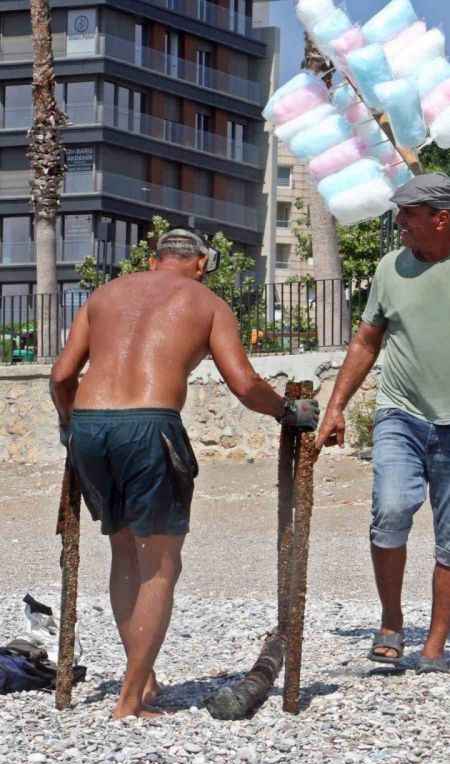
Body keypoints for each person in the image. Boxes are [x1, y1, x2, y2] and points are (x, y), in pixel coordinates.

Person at [50, 228, 319, 719]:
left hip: (90, 424)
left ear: (156, 260)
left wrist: (70, 427)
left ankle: (142, 673)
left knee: (123, 549)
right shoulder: (206, 301)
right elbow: (243, 383)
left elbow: (62, 376)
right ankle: (130, 701)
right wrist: (286, 411)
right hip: (149, 425)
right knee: (160, 562)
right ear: (199, 263)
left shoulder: (105, 295)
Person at [316, 173, 450, 673]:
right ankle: (391, 620)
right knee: (390, 513)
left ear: (441, 219)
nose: (398, 224)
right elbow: (366, 342)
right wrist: (337, 407)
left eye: (408, 215)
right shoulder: (389, 268)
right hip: (401, 414)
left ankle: (435, 645)